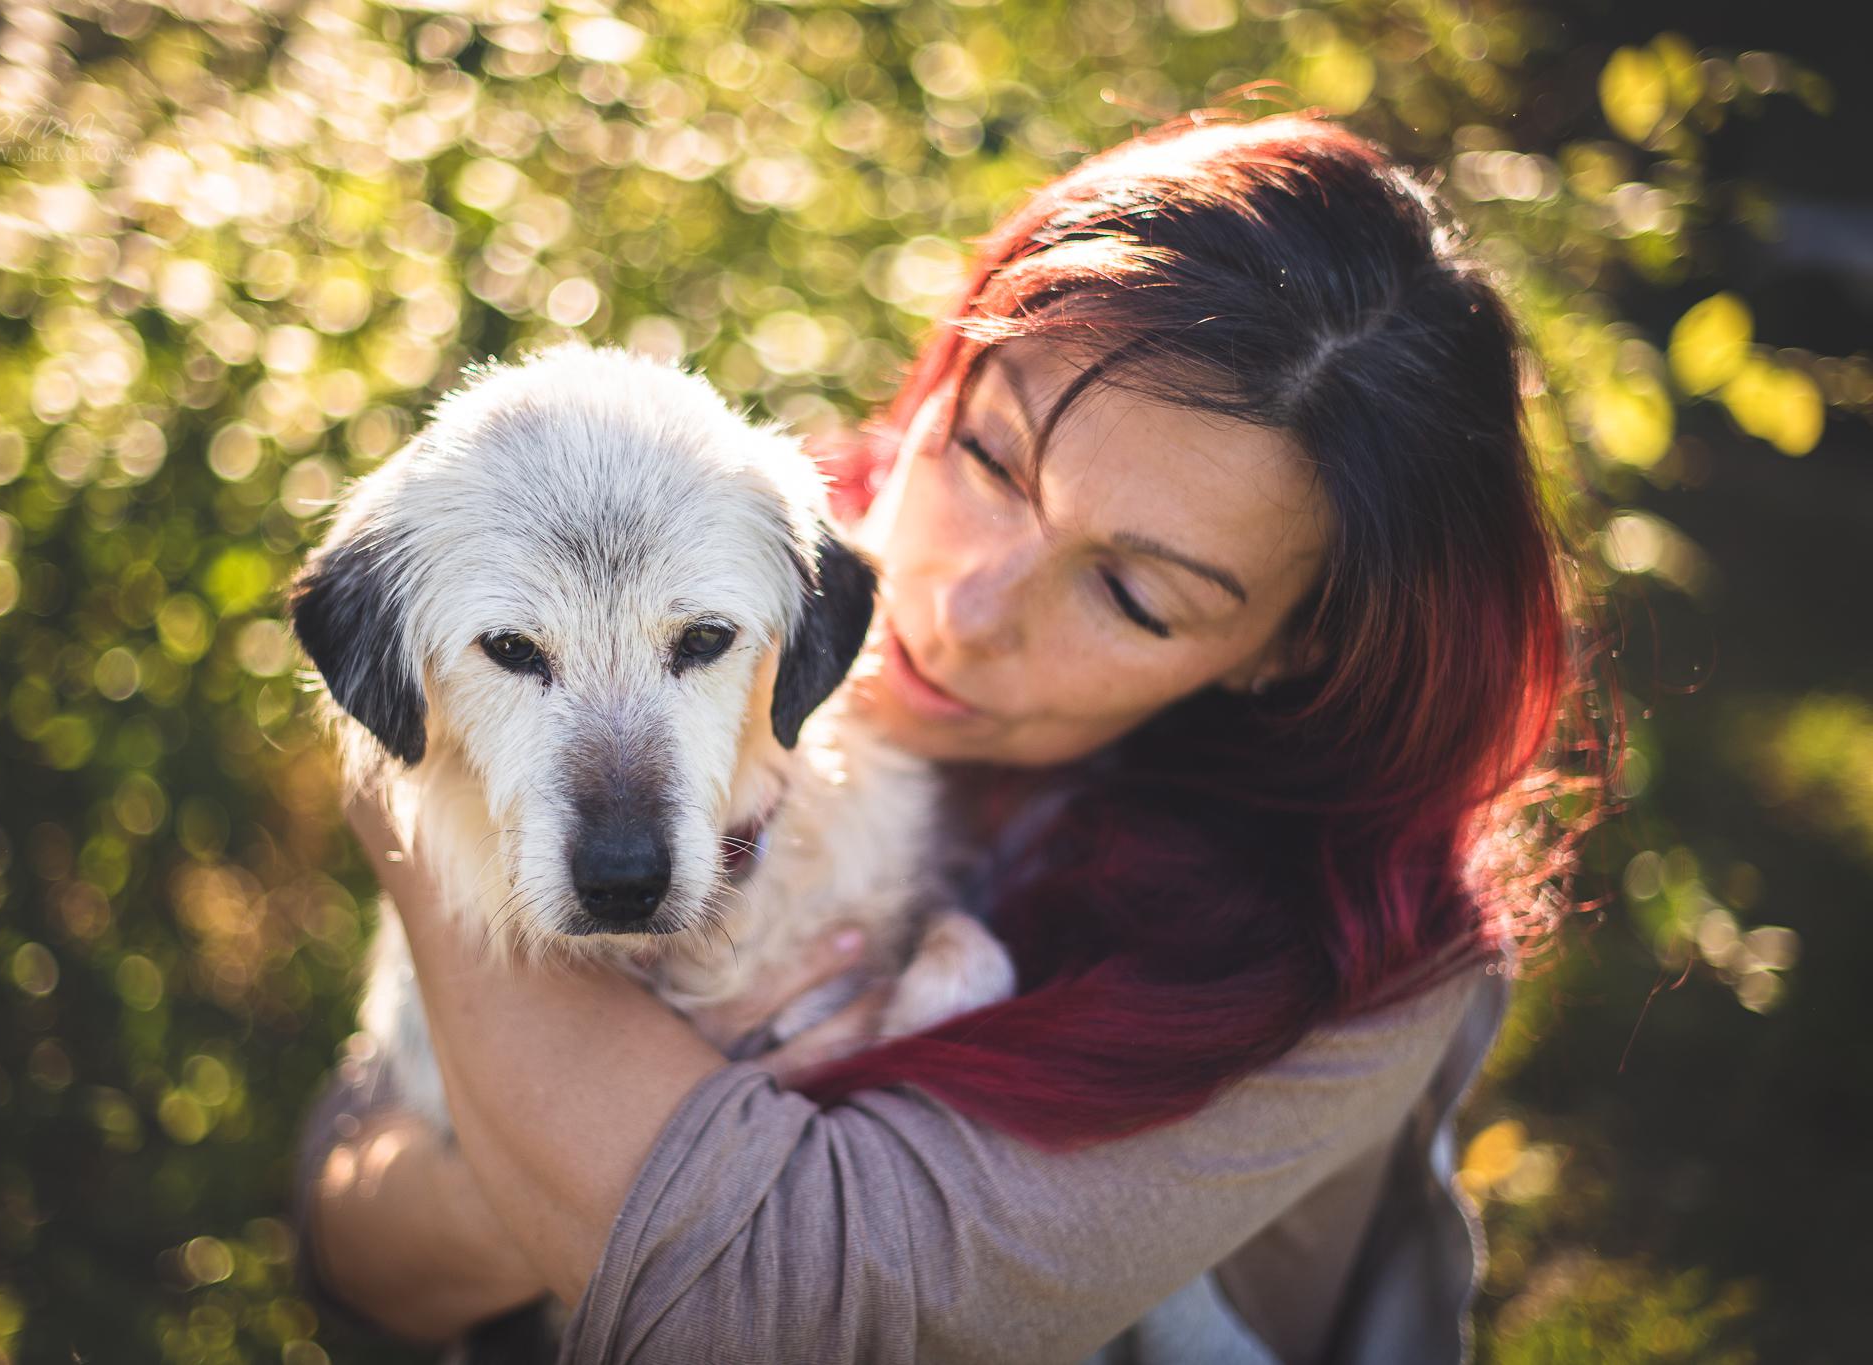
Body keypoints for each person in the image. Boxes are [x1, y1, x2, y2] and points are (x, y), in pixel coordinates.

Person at [290, 110, 1602, 1364]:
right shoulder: (746, 545)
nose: (965, 608)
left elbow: (808, 1317)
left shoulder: (1357, 968)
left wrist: (460, 929)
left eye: (1133, 593)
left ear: (1289, 648)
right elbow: (351, 1233)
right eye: (985, 453)